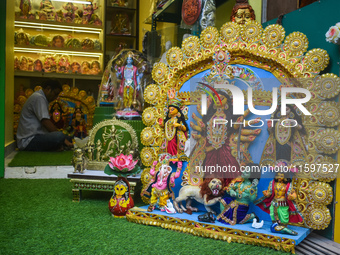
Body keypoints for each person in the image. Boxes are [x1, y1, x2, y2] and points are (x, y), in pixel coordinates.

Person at [16, 79, 73, 151]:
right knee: (60, 136)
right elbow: (45, 122)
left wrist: (64, 139)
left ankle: (57, 146)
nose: (56, 97)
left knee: (67, 137)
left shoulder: (41, 98)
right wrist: (64, 140)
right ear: (48, 89)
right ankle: (56, 147)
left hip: (37, 137)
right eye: (55, 94)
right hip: (28, 141)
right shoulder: (39, 97)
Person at [255, 171, 303, 235]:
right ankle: (275, 225)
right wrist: (266, 194)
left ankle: (283, 226)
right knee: (272, 213)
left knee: (284, 214)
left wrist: (292, 196)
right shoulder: (272, 183)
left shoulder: (288, 184)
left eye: (281, 176)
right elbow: (270, 192)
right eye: (278, 175)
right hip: (274, 202)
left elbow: (292, 193)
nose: (279, 177)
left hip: (283, 202)